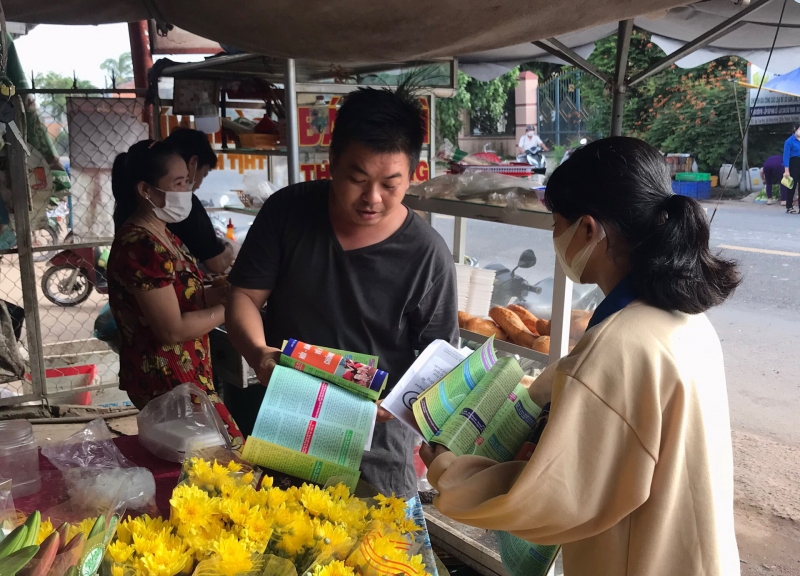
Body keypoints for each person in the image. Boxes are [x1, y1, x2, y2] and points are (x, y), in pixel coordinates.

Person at [421, 137, 742, 576]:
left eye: (556, 224)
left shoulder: (621, 344)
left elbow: (549, 498)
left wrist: (446, 468)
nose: (555, 238)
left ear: (588, 230)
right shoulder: (686, 321)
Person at [225, 87, 458, 575]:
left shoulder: (428, 255)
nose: (372, 198)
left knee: (378, 562)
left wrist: (399, 410)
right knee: (283, 555)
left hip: (377, 445)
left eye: (390, 184)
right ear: (330, 162)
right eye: (356, 179)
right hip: (289, 421)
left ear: (414, 174)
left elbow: (438, 364)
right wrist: (260, 355)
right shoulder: (288, 212)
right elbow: (244, 297)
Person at [108, 139, 243, 448]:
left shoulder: (164, 233)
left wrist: (220, 292)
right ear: (146, 190)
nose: (188, 191)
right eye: (180, 183)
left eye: (188, 181)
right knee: (227, 455)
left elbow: (182, 296)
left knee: (209, 463)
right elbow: (171, 329)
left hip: (186, 373)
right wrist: (229, 307)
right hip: (166, 379)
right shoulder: (140, 245)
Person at [165, 128, 235, 273]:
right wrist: (230, 248)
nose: (198, 184)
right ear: (193, 164)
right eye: (179, 182)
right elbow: (216, 264)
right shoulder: (184, 202)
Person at [783, 122, 800, 214]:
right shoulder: (789, 141)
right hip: (793, 163)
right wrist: (786, 170)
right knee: (792, 185)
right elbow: (786, 156)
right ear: (795, 129)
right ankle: (789, 206)